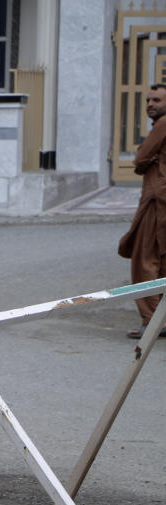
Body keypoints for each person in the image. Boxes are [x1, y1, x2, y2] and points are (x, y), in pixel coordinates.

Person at [119, 83, 166, 338]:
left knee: (144, 261)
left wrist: (146, 158)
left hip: (157, 201)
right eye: (149, 100)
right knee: (160, 261)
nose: (150, 104)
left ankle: (152, 320)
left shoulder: (162, 124)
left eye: (157, 100)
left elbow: (139, 161)